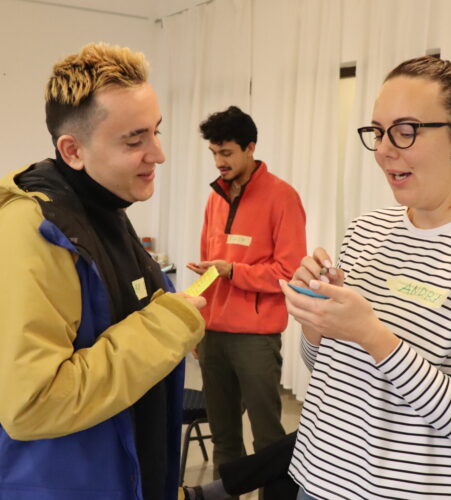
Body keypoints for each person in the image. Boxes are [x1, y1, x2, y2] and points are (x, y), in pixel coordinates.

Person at [280, 56, 451, 499]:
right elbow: (328, 369)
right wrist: (316, 322)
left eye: (405, 130)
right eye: (378, 131)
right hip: (322, 478)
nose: (385, 149)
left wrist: (373, 336)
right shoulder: (366, 230)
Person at [0, 43, 206, 500]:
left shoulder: (103, 212)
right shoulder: (28, 233)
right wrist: (167, 327)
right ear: (73, 150)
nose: (158, 154)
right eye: (135, 141)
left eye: (156, 132)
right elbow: (33, 402)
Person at [187, 106, 307, 480]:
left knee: (267, 440)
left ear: (250, 147)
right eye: (213, 153)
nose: (218, 162)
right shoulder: (214, 198)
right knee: (223, 439)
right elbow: (210, 270)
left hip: (255, 339)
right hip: (213, 335)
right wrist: (198, 325)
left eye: (226, 153)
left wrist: (234, 271)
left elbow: (288, 273)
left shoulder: (283, 197)